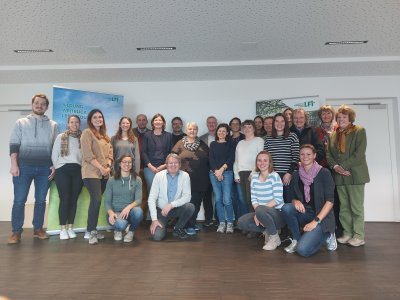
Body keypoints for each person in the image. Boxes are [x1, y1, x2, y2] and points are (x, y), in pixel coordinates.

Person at [8, 93, 58, 244]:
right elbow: (14, 145)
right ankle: (16, 232)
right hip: (23, 167)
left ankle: (38, 229)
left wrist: (54, 165)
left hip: (44, 169)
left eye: (43, 104)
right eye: (37, 103)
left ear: (46, 107)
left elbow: (56, 148)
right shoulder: (21, 123)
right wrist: (14, 164)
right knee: (19, 200)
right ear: (32, 104)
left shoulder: (53, 125)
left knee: (41, 201)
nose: (39, 105)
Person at [281, 144, 337, 257]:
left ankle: (329, 234)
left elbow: (330, 201)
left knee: (303, 251)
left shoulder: (324, 173)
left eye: (308, 154)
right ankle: (296, 240)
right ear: (299, 156)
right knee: (286, 208)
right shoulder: (296, 174)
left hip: (322, 217)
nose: (305, 156)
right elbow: (293, 196)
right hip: (307, 213)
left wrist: (315, 221)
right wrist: (295, 201)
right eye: (302, 154)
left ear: (314, 155)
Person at [327, 105, 370, 247]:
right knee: (344, 207)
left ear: (350, 118)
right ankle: (347, 233)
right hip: (339, 176)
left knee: (356, 207)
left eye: (344, 117)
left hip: (355, 175)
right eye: (339, 117)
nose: (341, 119)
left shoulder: (359, 131)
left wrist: (343, 167)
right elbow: (329, 154)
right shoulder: (333, 134)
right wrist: (336, 167)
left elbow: (359, 154)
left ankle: (359, 235)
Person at [238, 151, 285, 250]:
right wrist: (258, 214)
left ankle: (274, 237)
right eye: (259, 160)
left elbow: (278, 199)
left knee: (260, 210)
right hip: (261, 212)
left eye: (265, 160)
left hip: (277, 214)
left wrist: (260, 211)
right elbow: (254, 199)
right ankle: (268, 230)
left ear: (269, 162)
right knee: (241, 222)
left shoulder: (275, 176)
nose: (262, 163)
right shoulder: (254, 178)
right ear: (256, 163)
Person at [81, 109, 113, 245]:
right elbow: (87, 155)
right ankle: (90, 231)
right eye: (95, 117)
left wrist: (108, 168)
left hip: (105, 173)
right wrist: (101, 168)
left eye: (100, 117)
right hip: (91, 172)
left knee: (97, 201)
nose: (98, 119)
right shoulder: (87, 133)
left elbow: (110, 155)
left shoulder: (106, 136)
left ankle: (92, 229)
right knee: (96, 199)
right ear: (90, 119)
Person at [172, 122, 209, 235]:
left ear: (197, 131)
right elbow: (172, 160)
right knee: (184, 204)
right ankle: (182, 225)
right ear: (186, 130)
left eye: (194, 129)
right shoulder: (179, 143)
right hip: (183, 180)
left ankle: (191, 225)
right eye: (190, 129)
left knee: (196, 203)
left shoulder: (203, 144)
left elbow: (208, 160)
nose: (192, 131)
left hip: (200, 179)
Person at [148, 153, 195, 241]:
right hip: (161, 211)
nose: (173, 165)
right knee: (157, 237)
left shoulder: (185, 176)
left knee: (190, 207)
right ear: (166, 165)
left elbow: (187, 197)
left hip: (175, 209)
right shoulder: (158, 176)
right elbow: (151, 199)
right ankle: (164, 225)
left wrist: (171, 205)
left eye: (176, 163)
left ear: (180, 164)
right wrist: (154, 220)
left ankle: (177, 228)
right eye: (170, 163)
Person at [51, 115, 83, 240]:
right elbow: (55, 154)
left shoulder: (82, 138)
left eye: (76, 122)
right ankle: (62, 229)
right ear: (68, 124)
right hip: (62, 170)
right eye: (72, 122)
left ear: (79, 124)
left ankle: (70, 227)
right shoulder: (61, 137)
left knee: (73, 200)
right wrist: (57, 167)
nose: (74, 124)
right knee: (64, 199)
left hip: (78, 170)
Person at [315, 105, 342, 236]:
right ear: (320, 116)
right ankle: (326, 226)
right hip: (323, 167)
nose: (325, 116)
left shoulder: (339, 129)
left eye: (328, 113)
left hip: (337, 167)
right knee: (326, 197)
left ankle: (339, 227)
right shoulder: (317, 131)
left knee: (337, 197)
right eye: (323, 114)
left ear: (332, 115)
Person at [104, 154, 143, 243]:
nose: (127, 164)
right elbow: (107, 202)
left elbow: (138, 200)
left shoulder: (137, 179)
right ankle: (118, 230)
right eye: (124, 162)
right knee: (121, 225)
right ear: (120, 164)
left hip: (129, 212)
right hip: (115, 213)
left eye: (129, 162)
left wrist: (128, 207)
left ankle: (131, 231)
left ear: (132, 164)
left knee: (138, 212)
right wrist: (110, 213)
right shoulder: (111, 180)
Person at [264, 113, 299, 203]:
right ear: (273, 123)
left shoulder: (292, 136)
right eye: (277, 121)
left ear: (286, 123)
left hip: (288, 175)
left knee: (288, 202)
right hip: (273, 175)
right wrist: (271, 174)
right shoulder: (268, 138)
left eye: (282, 121)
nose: (279, 123)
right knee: (275, 202)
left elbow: (296, 156)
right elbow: (266, 158)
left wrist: (289, 173)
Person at [234, 120, 265, 215]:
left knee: (252, 199)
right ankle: (247, 223)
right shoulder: (240, 143)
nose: (247, 129)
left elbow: (260, 159)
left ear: (254, 129)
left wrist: (254, 173)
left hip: (252, 173)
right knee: (244, 200)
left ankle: (255, 224)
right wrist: (236, 175)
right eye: (245, 127)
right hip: (241, 173)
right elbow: (236, 160)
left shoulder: (259, 141)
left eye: (250, 127)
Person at [209, 123, 235, 233]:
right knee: (218, 199)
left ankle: (229, 223)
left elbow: (231, 158)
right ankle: (221, 223)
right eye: (219, 131)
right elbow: (211, 159)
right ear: (217, 132)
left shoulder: (231, 143)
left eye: (224, 131)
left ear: (227, 133)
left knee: (227, 200)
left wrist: (221, 170)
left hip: (227, 173)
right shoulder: (213, 144)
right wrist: (216, 172)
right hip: (213, 173)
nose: (221, 133)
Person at [142, 113, 173, 194]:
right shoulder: (147, 135)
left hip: (165, 167)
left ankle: (162, 207)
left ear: (163, 123)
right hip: (149, 168)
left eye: (160, 120)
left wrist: (164, 165)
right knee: (152, 191)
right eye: (156, 120)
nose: (158, 122)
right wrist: (150, 166)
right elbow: (143, 152)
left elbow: (171, 153)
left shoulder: (169, 136)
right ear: (152, 123)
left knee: (164, 191)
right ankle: (151, 207)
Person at [200, 116, 218, 226]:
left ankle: (219, 219)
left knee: (219, 196)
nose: (211, 124)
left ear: (216, 124)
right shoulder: (201, 138)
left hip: (219, 171)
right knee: (207, 196)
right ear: (207, 124)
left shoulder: (222, 135)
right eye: (209, 122)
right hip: (205, 171)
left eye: (213, 122)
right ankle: (208, 219)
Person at [133, 114, 151, 218]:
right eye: (139, 120)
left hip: (146, 168)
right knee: (133, 194)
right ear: (136, 121)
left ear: (146, 122)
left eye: (144, 120)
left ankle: (142, 217)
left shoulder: (150, 133)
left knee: (145, 194)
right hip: (133, 168)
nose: (142, 122)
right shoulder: (131, 132)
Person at [229, 117, 247, 220]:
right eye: (233, 124)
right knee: (233, 197)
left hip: (241, 171)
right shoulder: (228, 138)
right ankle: (237, 220)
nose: (235, 126)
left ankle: (244, 220)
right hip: (229, 171)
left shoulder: (245, 138)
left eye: (237, 124)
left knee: (242, 197)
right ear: (230, 126)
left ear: (240, 126)